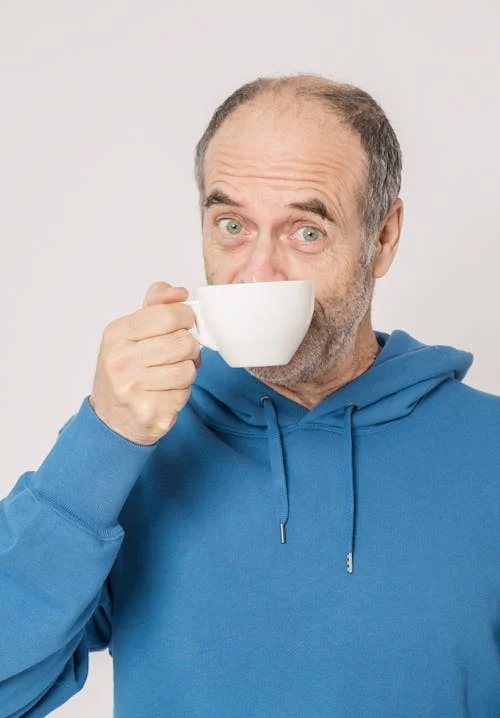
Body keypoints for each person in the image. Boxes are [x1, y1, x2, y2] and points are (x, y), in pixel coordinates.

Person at [1, 74, 499, 718]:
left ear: (383, 238)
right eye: (232, 224)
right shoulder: (134, 452)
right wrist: (104, 437)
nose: (256, 273)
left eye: (306, 232)